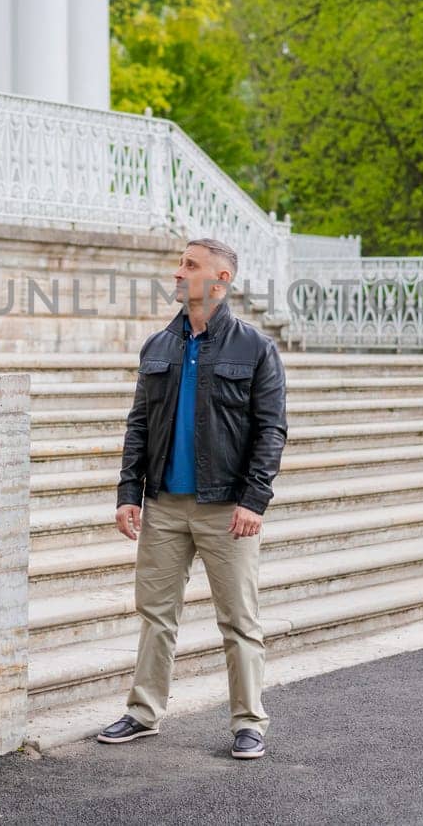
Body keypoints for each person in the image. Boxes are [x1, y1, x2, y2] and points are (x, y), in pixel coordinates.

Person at [95, 237, 288, 760]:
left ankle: (249, 722)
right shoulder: (158, 346)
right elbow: (139, 424)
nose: (178, 272)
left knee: (238, 620)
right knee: (155, 613)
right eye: (181, 263)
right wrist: (127, 491)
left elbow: (272, 430)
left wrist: (255, 499)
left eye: (191, 265)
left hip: (227, 509)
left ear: (221, 281)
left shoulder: (256, 349)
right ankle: (142, 713)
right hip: (164, 505)